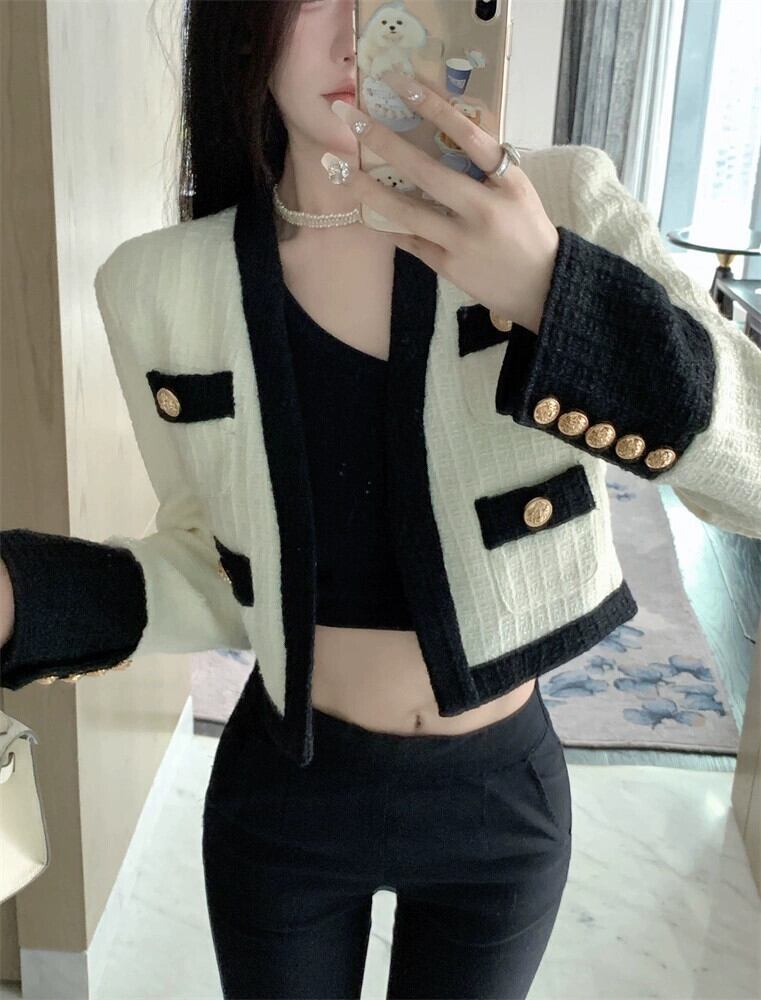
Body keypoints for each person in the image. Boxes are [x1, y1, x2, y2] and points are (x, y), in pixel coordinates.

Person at [3, 2, 760, 998]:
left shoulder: (562, 203)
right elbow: (217, 569)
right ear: (246, 25)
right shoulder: (158, 285)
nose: (362, 29)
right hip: (283, 799)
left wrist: (550, 290)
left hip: (498, 805)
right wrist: (21, 595)